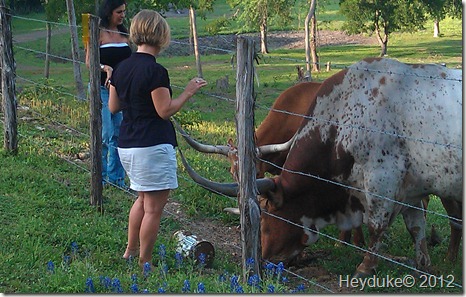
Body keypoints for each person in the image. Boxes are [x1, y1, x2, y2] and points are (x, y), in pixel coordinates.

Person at [108, 9, 207, 269]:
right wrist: (187, 92)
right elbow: (165, 111)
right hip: (151, 145)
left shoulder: (121, 67)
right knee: (153, 208)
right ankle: (145, 262)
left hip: (127, 144)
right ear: (161, 35)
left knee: (141, 200)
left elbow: (112, 107)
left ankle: (130, 252)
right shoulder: (155, 71)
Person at [85, 0, 132, 188]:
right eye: (119, 12)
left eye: (124, 12)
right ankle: (101, 176)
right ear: (109, 12)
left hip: (121, 90)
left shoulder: (124, 33)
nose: (122, 15)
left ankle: (117, 179)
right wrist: (105, 68)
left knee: (120, 133)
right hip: (102, 88)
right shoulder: (97, 32)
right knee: (106, 132)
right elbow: (89, 62)